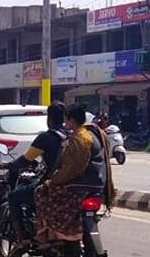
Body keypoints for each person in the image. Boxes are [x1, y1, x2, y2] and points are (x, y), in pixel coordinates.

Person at [34, 104, 106, 244]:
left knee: (40, 192)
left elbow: (71, 169)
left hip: (78, 185)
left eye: (66, 119)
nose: (65, 122)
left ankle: (49, 233)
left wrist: (54, 179)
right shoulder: (92, 133)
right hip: (96, 183)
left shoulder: (79, 139)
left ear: (71, 120)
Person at [5, 102, 67, 244]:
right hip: (71, 184)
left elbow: (26, 159)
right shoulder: (71, 135)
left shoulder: (47, 137)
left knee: (13, 197)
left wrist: (11, 165)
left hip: (51, 185)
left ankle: (22, 237)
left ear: (49, 119)